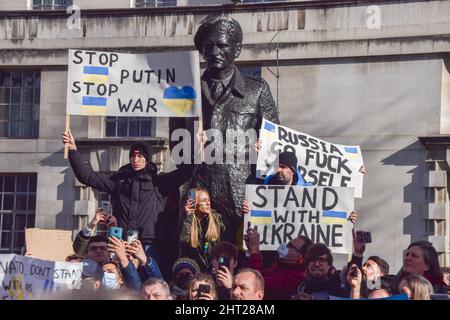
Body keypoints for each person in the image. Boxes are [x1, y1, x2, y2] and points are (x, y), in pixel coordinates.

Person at [170, 14, 280, 244]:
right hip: (199, 194)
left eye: (221, 45)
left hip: (240, 197)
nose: (214, 52)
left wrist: (264, 151)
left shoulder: (256, 90)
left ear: (236, 50)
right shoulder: (186, 92)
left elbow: (275, 144)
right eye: (208, 46)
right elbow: (176, 148)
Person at [63, 130, 195, 263]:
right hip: (122, 244)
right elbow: (87, 176)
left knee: (149, 280)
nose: (135, 160)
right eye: (133, 156)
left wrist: (198, 148)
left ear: (147, 159)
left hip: (149, 246)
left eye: (140, 156)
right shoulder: (118, 182)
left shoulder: (159, 182)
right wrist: (73, 150)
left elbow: (185, 173)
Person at [244, 226, 312, 300]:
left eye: (290, 246)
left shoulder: (295, 278)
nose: (285, 246)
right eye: (288, 243)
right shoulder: (280, 266)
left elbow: (257, 283)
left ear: (300, 257)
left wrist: (255, 250)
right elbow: (260, 274)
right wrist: (252, 250)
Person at [180, 188, 225, 272]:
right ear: (194, 203)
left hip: (213, 267)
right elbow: (183, 240)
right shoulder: (187, 220)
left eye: (208, 200)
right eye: (203, 200)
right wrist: (188, 217)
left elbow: (226, 241)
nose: (208, 203)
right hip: (193, 268)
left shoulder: (216, 220)